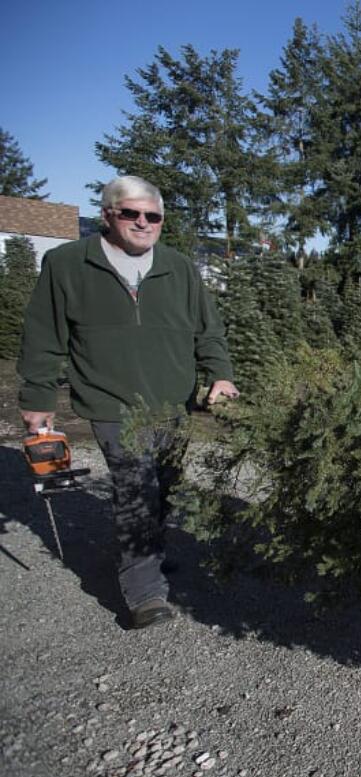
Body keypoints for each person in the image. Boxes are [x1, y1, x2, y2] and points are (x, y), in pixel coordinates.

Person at [18, 175, 238, 629]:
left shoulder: (178, 267)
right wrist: (38, 398)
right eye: (130, 213)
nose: (142, 222)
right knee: (135, 490)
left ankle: (148, 554)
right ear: (107, 216)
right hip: (110, 403)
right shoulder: (67, 264)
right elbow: (43, 337)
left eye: (152, 216)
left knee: (165, 486)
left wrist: (220, 375)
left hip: (173, 403)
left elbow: (208, 330)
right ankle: (144, 593)